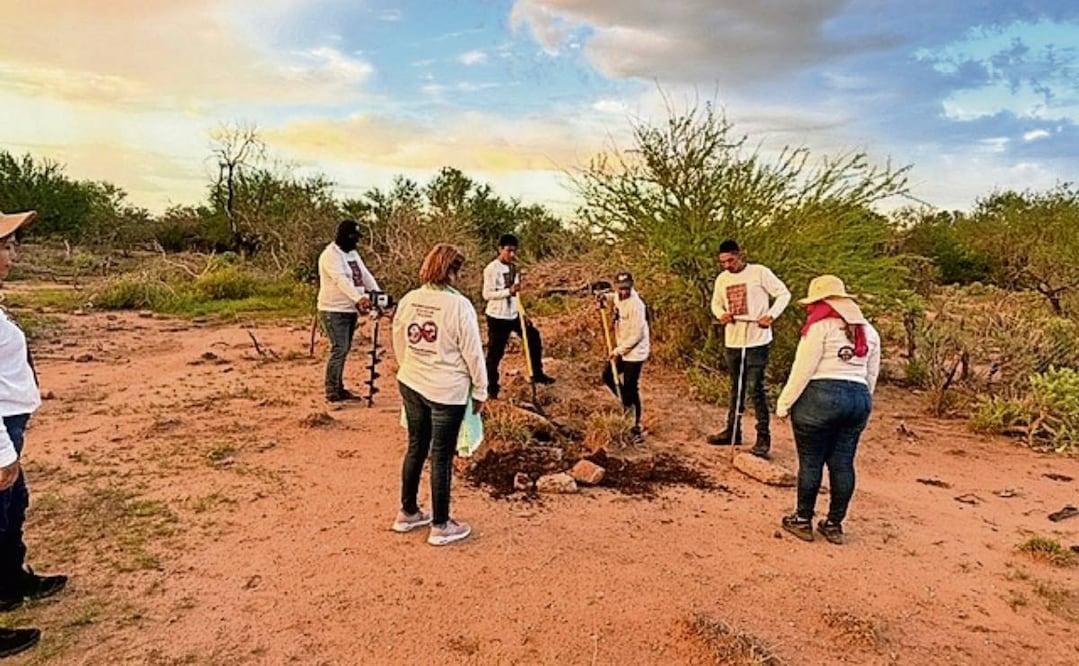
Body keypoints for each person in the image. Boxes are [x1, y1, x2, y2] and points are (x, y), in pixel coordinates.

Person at [0, 210, 68, 659]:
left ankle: (10, 581)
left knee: (14, 507)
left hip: (10, 421)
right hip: (0, 430)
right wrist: (2, 451)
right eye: (5, 245)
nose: (13, 252)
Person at [391, 244, 487, 546]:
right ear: (452, 271)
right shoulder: (459, 306)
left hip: (411, 381)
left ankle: (407, 512)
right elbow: (473, 352)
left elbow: (398, 337)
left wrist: (410, 366)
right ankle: (441, 524)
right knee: (442, 455)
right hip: (447, 390)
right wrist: (481, 389)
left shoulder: (410, 299)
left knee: (416, 447)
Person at [775, 275, 881, 545]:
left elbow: (803, 369)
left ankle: (802, 519)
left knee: (811, 461)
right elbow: (871, 375)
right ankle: (834, 524)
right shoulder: (868, 330)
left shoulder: (820, 327)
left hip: (819, 397)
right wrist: (860, 402)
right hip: (857, 398)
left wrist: (784, 403)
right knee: (843, 463)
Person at [707, 239, 791, 458]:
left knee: (755, 387)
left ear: (740, 256)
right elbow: (716, 303)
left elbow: (783, 294)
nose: (727, 265)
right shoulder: (722, 279)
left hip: (757, 340)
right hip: (733, 339)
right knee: (736, 386)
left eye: (730, 260)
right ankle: (732, 430)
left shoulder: (759, 272)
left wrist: (770, 315)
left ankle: (763, 436)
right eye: (723, 262)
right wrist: (721, 314)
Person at [482, 234, 554, 399]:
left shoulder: (514, 268)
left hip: (513, 314)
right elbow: (486, 294)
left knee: (533, 337)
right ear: (500, 249)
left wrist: (522, 312)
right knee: (495, 353)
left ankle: (537, 373)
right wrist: (508, 292)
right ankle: (491, 388)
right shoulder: (491, 269)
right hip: (497, 316)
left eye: (514, 251)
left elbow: (516, 296)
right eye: (509, 251)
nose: (512, 254)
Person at [317, 219, 382, 402]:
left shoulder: (352, 253)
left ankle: (339, 388)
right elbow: (341, 280)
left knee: (343, 350)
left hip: (349, 310)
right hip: (333, 309)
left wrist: (377, 294)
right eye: (354, 236)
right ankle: (332, 390)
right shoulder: (330, 256)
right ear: (345, 236)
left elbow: (364, 275)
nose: (357, 241)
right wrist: (359, 298)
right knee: (339, 349)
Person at [602, 271, 650, 442]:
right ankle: (627, 404)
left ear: (632, 286)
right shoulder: (618, 296)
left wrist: (617, 352)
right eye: (620, 289)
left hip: (635, 352)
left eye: (626, 289)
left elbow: (636, 336)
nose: (623, 292)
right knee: (607, 376)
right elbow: (613, 297)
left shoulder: (637, 305)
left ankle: (635, 425)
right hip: (623, 347)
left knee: (631, 386)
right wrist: (604, 298)